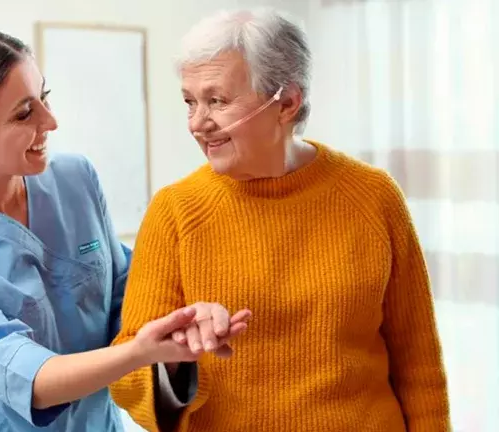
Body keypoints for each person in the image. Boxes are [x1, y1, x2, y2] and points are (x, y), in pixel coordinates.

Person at [109, 8, 451, 432]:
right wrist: (175, 361)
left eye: (217, 100)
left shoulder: (374, 196)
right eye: (189, 101)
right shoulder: (174, 210)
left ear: (287, 103)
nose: (198, 124)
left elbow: (418, 361)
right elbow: (128, 374)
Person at [0, 26, 250, 432]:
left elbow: (125, 294)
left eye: (44, 97)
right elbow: (31, 380)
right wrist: (139, 352)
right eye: (24, 113)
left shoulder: (74, 178)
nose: (51, 121)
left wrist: (180, 320)